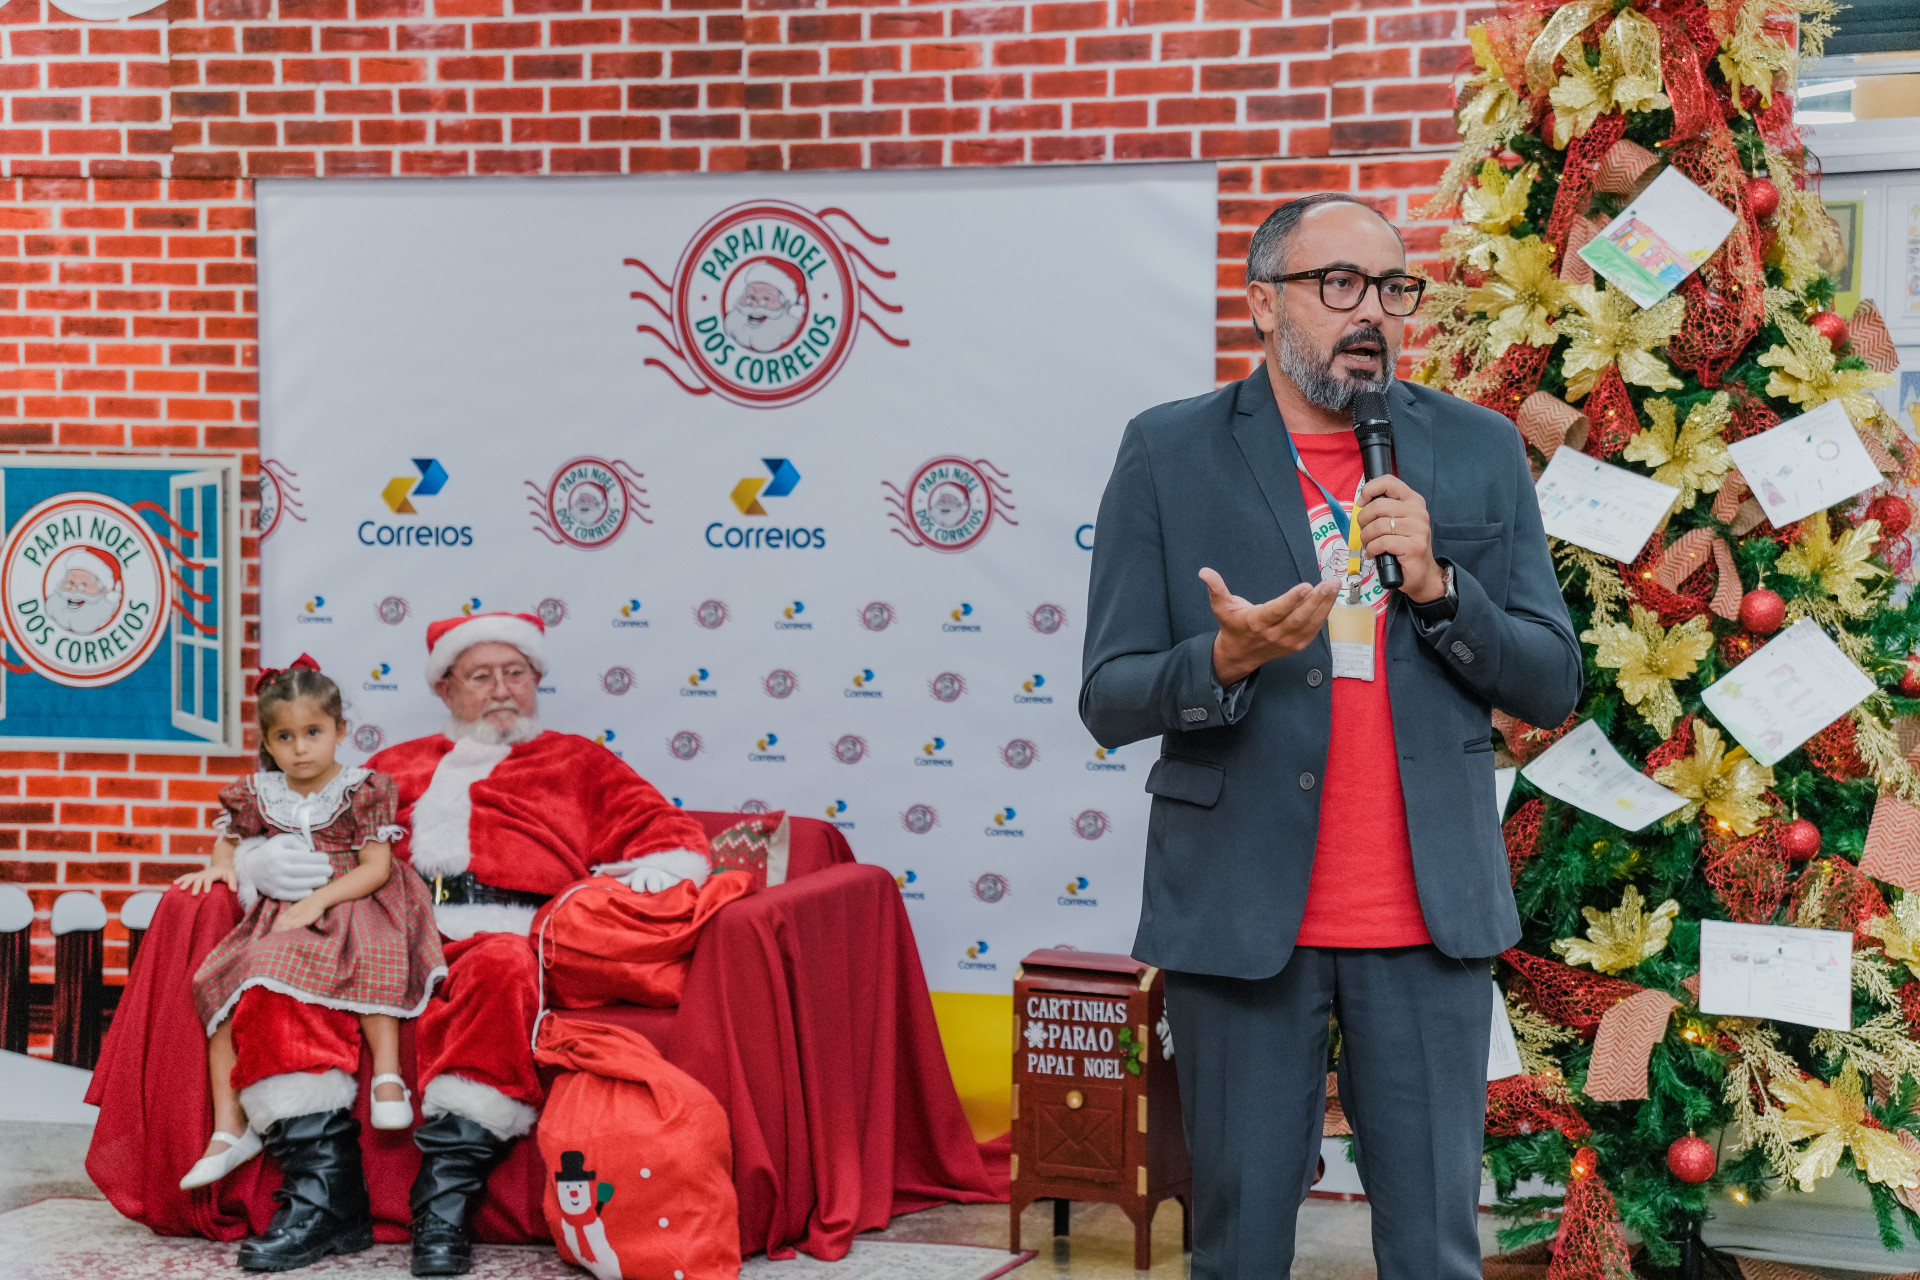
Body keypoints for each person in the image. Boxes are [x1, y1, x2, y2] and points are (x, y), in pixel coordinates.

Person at [1079, 193, 1582, 1280]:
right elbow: (1110, 696)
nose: (1374, 314)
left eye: (1393, 289)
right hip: (1244, 915)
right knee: (1241, 1247)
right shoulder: (1169, 453)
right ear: (1262, 303)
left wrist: (1446, 588)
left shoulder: (1478, 448)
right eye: (1338, 284)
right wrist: (1224, 658)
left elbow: (1550, 679)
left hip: (1428, 917)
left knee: (1435, 1251)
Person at [224, 611, 711, 1276]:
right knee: (283, 965)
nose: (501, 688)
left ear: (537, 681)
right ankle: (323, 1200)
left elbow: (665, 829)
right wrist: (264, 863)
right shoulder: (396, 766)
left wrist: (659, 867)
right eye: (481, 676)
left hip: (504, 931)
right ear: (446, 689)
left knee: (505, 967)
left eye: (516, 673)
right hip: (393, 926)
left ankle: (443, 1206)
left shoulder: (579, 760)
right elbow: (317, 829)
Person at [173, 656, 444, 1204]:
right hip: (290, 905)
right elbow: (230, 838)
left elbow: (376, 867)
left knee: (373, 948)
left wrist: (319, 899)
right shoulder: (258, 793)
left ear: (340, 732)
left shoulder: (363, 788)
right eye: (285, 737)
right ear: (269, 744)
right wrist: (224, 865)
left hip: (360, 896)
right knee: (223, 979)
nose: (300, 748)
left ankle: (387, 1075)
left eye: (313, 733)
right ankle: (230, 1126)